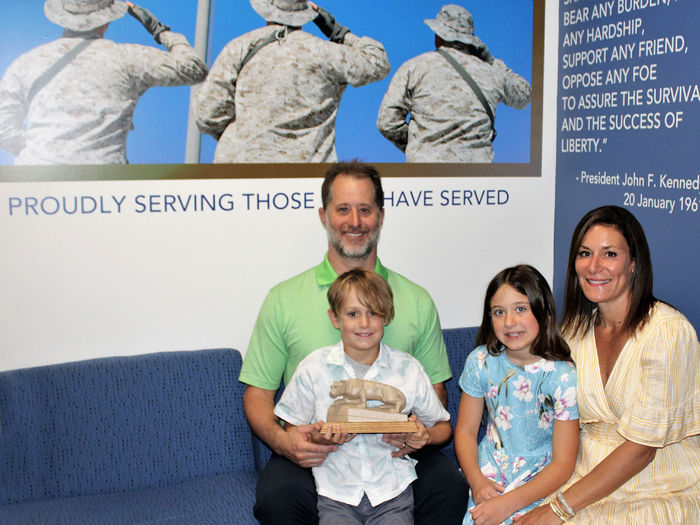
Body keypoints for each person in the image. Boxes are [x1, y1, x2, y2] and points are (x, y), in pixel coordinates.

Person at [239, 160, 467, 524]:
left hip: (393, 452)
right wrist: (286, 444)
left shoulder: (417, 299)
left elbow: (435, 395)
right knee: (277, 499)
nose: (354, 221)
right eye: (343, 209)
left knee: (450, 489)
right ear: (323, 215)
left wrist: (415, 435)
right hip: (318, 450)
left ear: (381, 216)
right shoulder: (283, 298)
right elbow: (258, 395)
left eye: (365, 209)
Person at [514, 206, 700, 523]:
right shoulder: (574, 332)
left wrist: (558, 510)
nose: (594, 266)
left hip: (655, 490)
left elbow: (641, 449)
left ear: (634, 265)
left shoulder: (667, 333)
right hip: (581, 485)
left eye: (609, 254)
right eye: (585, 253)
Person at [275, 268, 452, 525]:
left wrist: (424, 436)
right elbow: (293, 428)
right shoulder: (313, 368)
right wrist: (317, 437)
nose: (364, 323)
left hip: (393, 491)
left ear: (387, 316)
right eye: (353, 314)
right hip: (335, 492)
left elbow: (443, 427)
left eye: (373, 313)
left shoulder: (408, 369)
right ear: (335, 318)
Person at [0, 0, 207, 165]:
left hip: (35, 182)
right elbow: (194, 68)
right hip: (104, 181)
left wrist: (48, 151)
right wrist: (159, 29)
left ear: (61, 17)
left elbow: (3, 129)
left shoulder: (25, 63)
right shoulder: (127, 58)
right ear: (107, 20)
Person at [455, 265, 579, 525]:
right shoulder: (480, 362)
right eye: (499, 312)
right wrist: (476, 480)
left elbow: (563, 463)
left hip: (544, 480)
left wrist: (508, 504)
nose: (509, 322)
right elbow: (465, 432)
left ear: (542, 310)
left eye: (521, 309)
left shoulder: (563, 376)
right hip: (492, 475)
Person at [194, 0, 389, 163]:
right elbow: (377, 62)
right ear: (303, 13)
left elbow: (207, 113)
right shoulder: (324, 52)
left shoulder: (239, 48)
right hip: (306, 177)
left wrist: (246, 134)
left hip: (242, 171)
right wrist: (335, 29)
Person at [376, 4, 531, 163]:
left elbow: (387, 122)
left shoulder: (414, 67)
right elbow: (524, 96)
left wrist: (421, 146)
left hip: (426, 172)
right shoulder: (492, 71)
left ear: (438, 35)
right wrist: (493, 63)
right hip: (478, 175)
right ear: (470, 40)